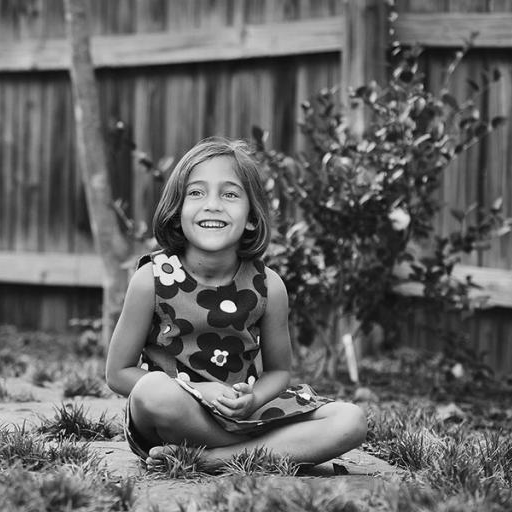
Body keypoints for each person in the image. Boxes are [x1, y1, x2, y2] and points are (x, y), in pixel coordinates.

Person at [105, 137, 367, 471]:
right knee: (152, 390)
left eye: (230, 194)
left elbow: (278, 372)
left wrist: (253, 399)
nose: (213, 205)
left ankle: (214, 460)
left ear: (252, 217)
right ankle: (271, 450)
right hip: (173, 415)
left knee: (351, 419)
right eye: (197, 193)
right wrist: (199, 390)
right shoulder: (151, 279)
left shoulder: (268, 286)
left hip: (240, 415)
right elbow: (117, 374)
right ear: (176, 212)